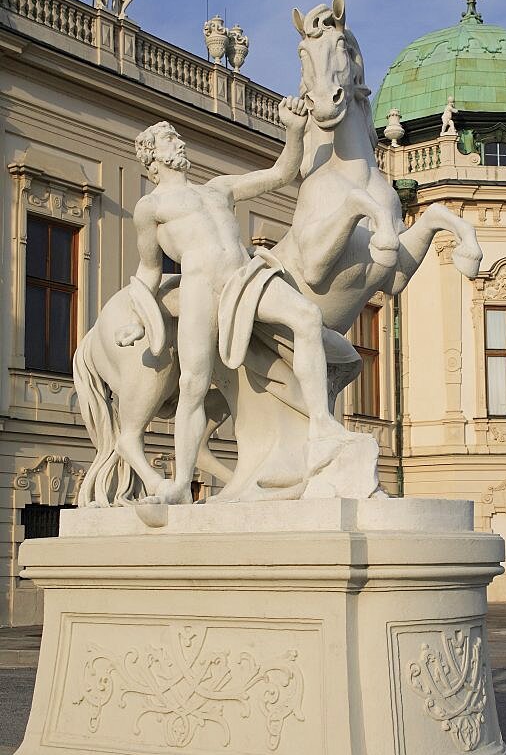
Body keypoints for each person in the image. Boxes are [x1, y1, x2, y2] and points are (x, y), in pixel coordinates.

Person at [117, 97, 353, 504]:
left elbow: (280, 173)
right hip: (199, 290)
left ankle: (321, 425)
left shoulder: (218, 188)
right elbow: (149, 269)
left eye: (178, 138)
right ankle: (178, 484)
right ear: (152, 159)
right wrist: (141, 316)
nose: (181, 145)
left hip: (244, 277)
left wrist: (294, 131)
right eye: (171, 140)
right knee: (192, 385)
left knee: (307, 317)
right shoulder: (150, 208)